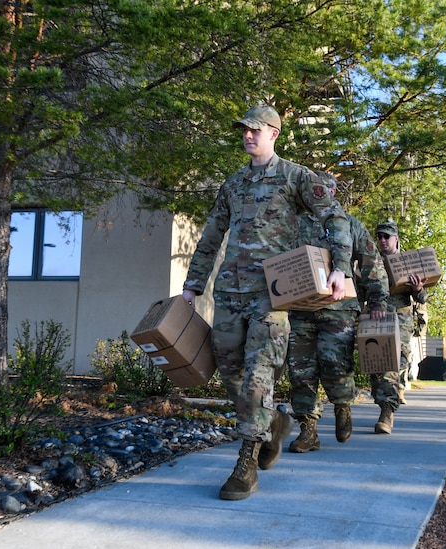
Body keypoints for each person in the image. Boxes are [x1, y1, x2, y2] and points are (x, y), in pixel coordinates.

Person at [181, 105, 353, 501]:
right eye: (243, 130)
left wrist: (339, 269)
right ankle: (274, 421)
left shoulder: (296, 177)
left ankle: (245, 464)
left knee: (260, 374)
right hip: (229, 292)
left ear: (274, 133)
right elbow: (211, 236)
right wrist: (193, 285)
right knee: (229, 374)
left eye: (254, 130)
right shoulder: (233, 183)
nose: (247, 135)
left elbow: (337, 219)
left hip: (271, 297)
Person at [286, 172, 389, 453]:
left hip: (339, 309)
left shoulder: (348, 225)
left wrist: (378, 301)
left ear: (334, 194)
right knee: (300, 371)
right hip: (300, 309)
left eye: (326, 191)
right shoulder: (294, 223)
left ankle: (342, 406)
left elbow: (371, 264)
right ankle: (308, 429)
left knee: (335, 365)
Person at [371, 219, 427, 434]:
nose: (383, 240)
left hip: (399, 321)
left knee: (392, 365)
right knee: (376, 367)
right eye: (380, 237)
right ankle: (382, 403)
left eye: (387, 236)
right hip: (375, 319)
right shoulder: (371, 264)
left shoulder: (407, 264)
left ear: (396, 239)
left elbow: (422, 297)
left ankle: (387, 412)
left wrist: (418, 289)